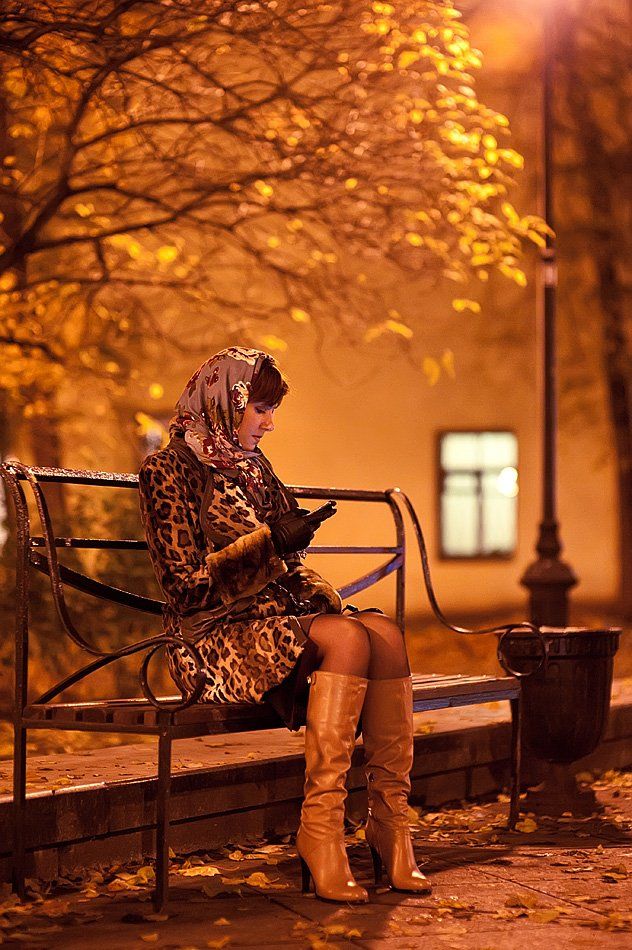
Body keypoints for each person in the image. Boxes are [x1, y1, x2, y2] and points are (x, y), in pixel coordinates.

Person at [138, 346, 430, 903]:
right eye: (261, 409)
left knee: (385, 634)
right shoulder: (167, 470)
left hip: (274, 625)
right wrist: (269, 544)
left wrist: (301, 561)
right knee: (348, 637)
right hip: (208, 641)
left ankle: (390, 823)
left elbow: (287, 565)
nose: (269, 423)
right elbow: (184, 586)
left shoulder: (255, 468)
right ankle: (320, 831)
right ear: (225, 403)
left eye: (272, 410)